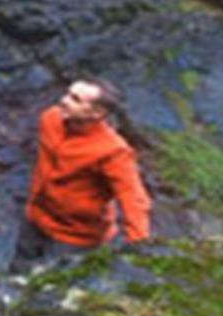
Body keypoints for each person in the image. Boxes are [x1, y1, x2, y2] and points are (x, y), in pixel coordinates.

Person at [21, 78, 151, 263]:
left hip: (76, 237)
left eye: (75, 99)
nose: (63, 100)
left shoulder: (112, 151)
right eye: (67, 93)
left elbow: (133, 197)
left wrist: (140, 247)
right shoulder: (50, 118)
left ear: (97, 113)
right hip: (36, 218)